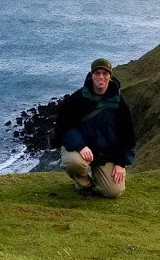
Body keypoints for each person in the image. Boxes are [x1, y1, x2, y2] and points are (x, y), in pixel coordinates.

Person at [56, 58, 136, 197]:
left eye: (105, 73)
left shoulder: (119, 103)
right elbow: (64, 125)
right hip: (81, 150)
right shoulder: (78, 98)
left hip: (106, 154)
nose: (101, 77)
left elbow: (127, 135)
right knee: (73, 163)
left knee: (113, 192)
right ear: (91, 75)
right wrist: (80, 145)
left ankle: (99, 182)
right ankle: (84, 184)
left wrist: (121, 163)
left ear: (110, 76)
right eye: (97, 73)